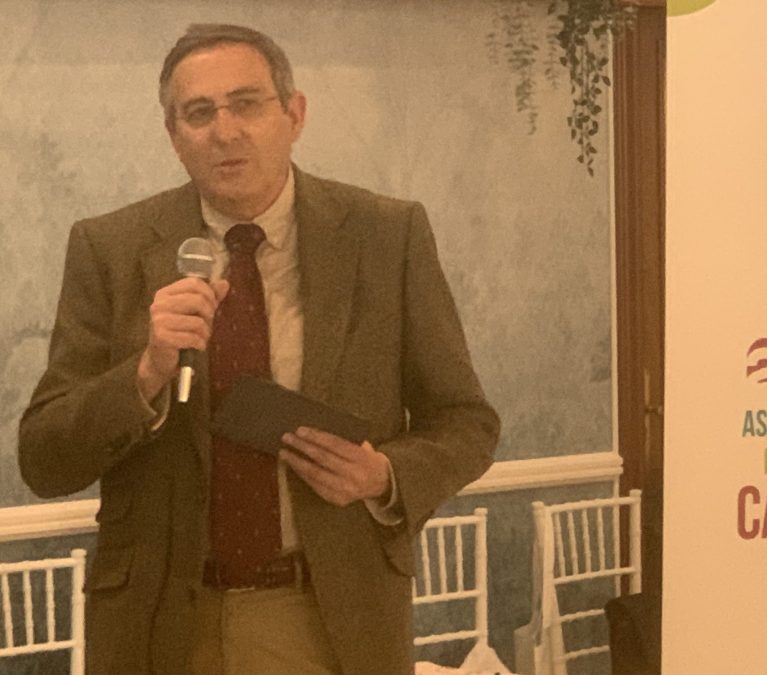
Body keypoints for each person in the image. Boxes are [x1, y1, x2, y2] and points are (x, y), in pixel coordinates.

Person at [18, 23, 498, 675]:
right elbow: (44, 459)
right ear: (173, 135)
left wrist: (385, 475)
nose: (225, 131)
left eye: (246, 104)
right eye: (199, 113)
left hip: (330, 618)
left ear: (293, 114)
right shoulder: (110, 249)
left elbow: (467, 422)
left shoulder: (387, 236)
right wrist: (147, 372)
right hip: (157, 626)